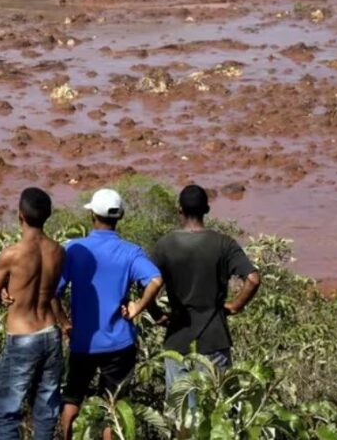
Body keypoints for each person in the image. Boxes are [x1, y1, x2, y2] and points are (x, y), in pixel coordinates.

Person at [58, 188, 164, 439]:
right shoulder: (130, 251)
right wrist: (138, 306)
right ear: (120, 217)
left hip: (83, 340)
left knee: (72, 397)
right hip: (119, 342)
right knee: (113, 406)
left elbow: (54, 292)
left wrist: (64, 323)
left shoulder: (74, 249)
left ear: (92, 215)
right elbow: (156, 280)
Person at [152, 184, 261, 393]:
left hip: (178, 339)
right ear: (207, 210)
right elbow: (253, 279)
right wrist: (236, 306)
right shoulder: (224, 243)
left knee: (181, 410)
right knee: (216, 408)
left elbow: (146, 284)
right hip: (215, 338)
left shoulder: (165, 245)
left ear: (180, 210)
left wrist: (157, 314)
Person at [0, 187, 68, 440]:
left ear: (20, 215)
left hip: (22, 337)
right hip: (51, 333)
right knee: (46, 409)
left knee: (6, 412)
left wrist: (1, 293)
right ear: (48, 216)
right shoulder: (58, 251)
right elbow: (51, 291)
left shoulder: (12, 254)